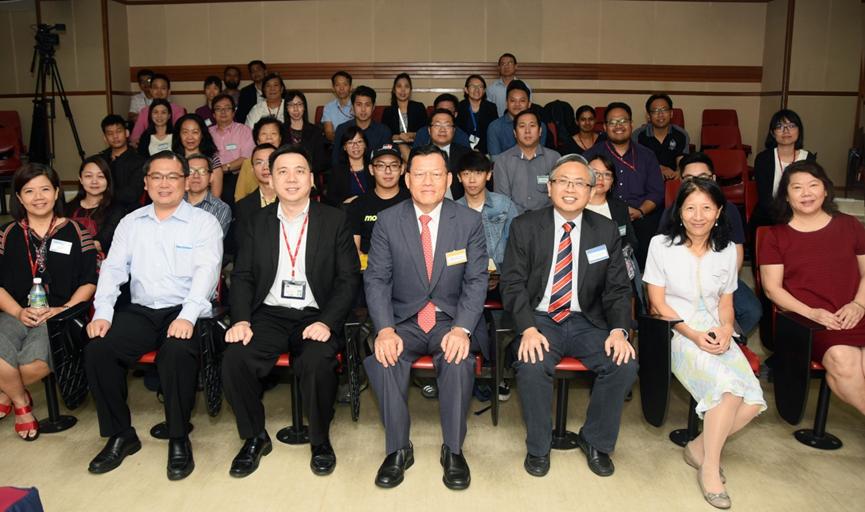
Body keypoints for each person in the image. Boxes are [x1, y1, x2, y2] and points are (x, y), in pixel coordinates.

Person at [222, 145, 360, 478]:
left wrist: (328, 321)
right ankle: (255, 437)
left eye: (299, 170)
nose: (291, 178)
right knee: (234, 359)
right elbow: (242, 276)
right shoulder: (256, 222)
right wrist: (240, 319)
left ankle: (320, 440)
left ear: (312, 179)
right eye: (281, 171)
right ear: (270, 178)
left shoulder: (334, 220)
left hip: (316, 312)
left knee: (316, 361)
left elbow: (348, 278)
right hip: (269, 313)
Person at [84, 151, 222, 480]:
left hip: (184, 308)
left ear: (186, 181)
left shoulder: (204, 223)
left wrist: (187, 316)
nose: (164, 183)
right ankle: (121, 434)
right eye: (157, 176)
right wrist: (102, 312)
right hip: (141, 310)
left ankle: (178, 437)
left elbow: (207, 273)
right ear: (146, 182)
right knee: (98, 348)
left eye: (173, 176)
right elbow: (113, 269)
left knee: (176, 352)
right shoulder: (131, 223)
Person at [500, 153, 637, 479]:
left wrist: (619, 330)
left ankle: (596, 441)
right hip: (540, 318)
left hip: (586, 320)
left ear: (591, 191)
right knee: (532, 364)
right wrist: (528, 330)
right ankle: (538, 446)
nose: (571, 189)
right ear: (550, 187)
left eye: (580, 183)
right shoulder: (525, 226)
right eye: (563, 181)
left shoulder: (604, 230)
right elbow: (512, 284)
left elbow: (618, 288)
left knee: (624, 363)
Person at [364, 145, 488, 490]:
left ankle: (453, 450)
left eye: (436, 174)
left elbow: (477, 280)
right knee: (383, 358)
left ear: (449, 179)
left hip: (450, 318)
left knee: (459, 359)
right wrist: (385, 329)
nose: (428, 181)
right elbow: (376, 278)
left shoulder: (468, 221)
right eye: (419, 174)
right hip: (404, 319)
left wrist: (463, 328)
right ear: (407, 179)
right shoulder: (389, 221)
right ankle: (398, 449)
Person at [644, 178, 766, 510]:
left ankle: (699, 448)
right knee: (728, 391)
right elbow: (656, 303)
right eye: (690, 208)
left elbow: (726, 303)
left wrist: (727, 329)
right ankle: (710, 468)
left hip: (716, 330)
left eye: (706, 208)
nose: (698, 216)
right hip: (675, 332)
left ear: (719, 212)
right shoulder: (661, 245)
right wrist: (694, 335)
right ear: (679, 212)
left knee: (752, 401)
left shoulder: (726, 250)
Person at [759, 161, 865, 419]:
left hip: (857, 312)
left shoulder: (850, 225)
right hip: (811, 323)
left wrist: (859, 305)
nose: (806, 193)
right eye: (797, 188)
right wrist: (812, 313)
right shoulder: (775, 236)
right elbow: (773, 290)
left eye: (813, 185)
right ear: (786, 195)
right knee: (843, 360)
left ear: (826, 190)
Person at [0, 164, 97, 441]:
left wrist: (62, 310)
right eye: (29, 191)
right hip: (14, 312)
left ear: (57, 193)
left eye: (45, 189)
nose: (38, 197)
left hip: (59, 316)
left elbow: (89, 281)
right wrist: (18, 311)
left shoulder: (79, 231)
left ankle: (6, 390)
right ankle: (22, 405)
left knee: (32, 366)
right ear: (18, 198)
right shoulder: (7, 235)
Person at [659, 152, 762, 338]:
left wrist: (721, 283)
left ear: (713, 179)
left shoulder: (728, 210)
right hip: (681, 280)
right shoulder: (671, 212)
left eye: (703, 178)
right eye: (689, 178)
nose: (696, 183)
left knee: (752, 311)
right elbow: (663, 257)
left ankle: (727, 338)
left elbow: (736, 253)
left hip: (719, 277)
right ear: (681, 181)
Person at [584, 102, 664, 270]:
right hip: (601, 215)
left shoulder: (646, 155)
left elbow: (656, 192)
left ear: (631, 124)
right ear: (605, 127)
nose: (618, 126)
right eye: (612, 122)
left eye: (623, 121)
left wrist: (641, 211)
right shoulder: (591, 155)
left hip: (640, 216)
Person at [750, 109, 815, 232]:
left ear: (799, 131)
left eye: (791, 126)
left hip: (802, 213)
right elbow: (765, 199)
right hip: (769, 215)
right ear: (773, 133)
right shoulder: (763, 158)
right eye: (780, 126)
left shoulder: (808, 158)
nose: (786, 131)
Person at [455, 150, 518, 273]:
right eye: (466, 174)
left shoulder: (504, 205)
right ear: (459, 177)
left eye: (478, 173)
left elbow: (517, 244)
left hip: (502, 276)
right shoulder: (454, 210)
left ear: (488, 175)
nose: (472, 180)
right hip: (466, 279)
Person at [347, 144, 410, 259]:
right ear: (371, 169)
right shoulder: (358, 205)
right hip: (370, 269)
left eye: (394, 165)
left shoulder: (413, 201)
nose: (388, 171)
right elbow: (354, 250)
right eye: (381, 166)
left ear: (402, 169)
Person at [492, 109, 560, 214]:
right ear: (515, 133)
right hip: (514, 221)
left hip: (547, 221)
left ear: (540, 131)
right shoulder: (502, 161)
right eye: (522, 126)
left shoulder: (554, 158)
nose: (527, 131)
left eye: (532, 126)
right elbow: (502, 201)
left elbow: (559, 195)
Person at [66, 155, 125, 256]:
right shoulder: (68, 207)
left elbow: (99, 243)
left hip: (102, 266)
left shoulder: (116, 210)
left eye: (101, 176)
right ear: (80, 179)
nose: (94, 181)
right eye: (88, 176)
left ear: (108, 180)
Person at [209, 94, 255, 208]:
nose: (223, 112)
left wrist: (223, 168)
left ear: (233, 112)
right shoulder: (207, 133)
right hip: (211, 177)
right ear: (214, 114)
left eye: (227, 108)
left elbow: (246, 158)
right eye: (219, 109)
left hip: (237, 176)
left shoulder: (244, 131)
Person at [331, 86, 392, 169]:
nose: (363, 109)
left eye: (367, 105)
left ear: (373, 107)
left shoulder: (384, 131)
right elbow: (335, 161)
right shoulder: (342, 129)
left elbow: (386, 161)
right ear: (352, 107)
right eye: (359, 105)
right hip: (347, 176)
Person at [634, 94, 690, 180]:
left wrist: (679, 172)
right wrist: (659, 168)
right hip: (646, 180)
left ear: (671, 113)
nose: (660, 114)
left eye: (664, 110)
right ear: (648, 116)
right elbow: (637, 162)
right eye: (655, 111)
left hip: (673, 180)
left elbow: (681, 160)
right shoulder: (638, 135)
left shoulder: (681, 134)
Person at [487, 80, 547, 159]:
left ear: (529, 104)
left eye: (522, 101)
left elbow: (539, 157)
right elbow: (495, 161)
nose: (517, 104)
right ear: (506, 103)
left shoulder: (539, 126)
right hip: (504, 170)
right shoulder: (495, 127)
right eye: (512, 100)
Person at [99, 114, 145, 213]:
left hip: (128, 211)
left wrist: (102, 194)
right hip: (100, 209)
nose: (115, 136)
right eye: (110, 133)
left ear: (127, 133)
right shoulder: (100, 160)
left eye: (118, 131)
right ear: (105, 138)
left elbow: (132, 194)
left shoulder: (139, 161)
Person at [234, 143, 277, 247]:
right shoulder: (243, 206)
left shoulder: (291, 200)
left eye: (270, 161)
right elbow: (242, 247)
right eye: (259, 162)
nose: (265, 167)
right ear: (252, 169)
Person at [234, 117, 286, 202]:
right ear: (257, 140)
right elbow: (240, 195)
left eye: (273, 133)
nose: (269, 138)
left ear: (280, 138)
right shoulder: (248, 163)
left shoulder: (289, 161)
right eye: (264, 134)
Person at [171, 114, 224, 198]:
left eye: (195, 132)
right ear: (179, 135)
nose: (190, 137)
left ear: (202, 134)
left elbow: (216, 196)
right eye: (185, 132)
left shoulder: (212, 159)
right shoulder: (172, 160)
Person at [426, 109, 472, 198]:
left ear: (454, 130)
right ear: (429, 130)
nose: (442, 129)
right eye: (437, 125)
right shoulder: (418, 154)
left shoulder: (466, 153)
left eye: (447, 125)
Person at [185, 154, 232, 238]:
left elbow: (210, 242)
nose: (196, 176)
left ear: (211, 177)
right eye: (190, 171)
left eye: (202, 171)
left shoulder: (221, 208)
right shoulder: (173, 203)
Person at [130, 74, 186, 144]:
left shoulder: (178, 110)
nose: (159, 92)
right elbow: (135, 136)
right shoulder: (144, 111)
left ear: (169, 92)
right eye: (155, 88)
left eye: (163, 88)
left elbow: (180, 134)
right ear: (150, 90)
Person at [381, 73, 427, 160]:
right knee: (402, 146)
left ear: (410, 90)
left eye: (406, 86)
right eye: (399, 86)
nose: (403, 90)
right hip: (395, 148)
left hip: (417, 145)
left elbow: (426, 131)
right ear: (394, 90)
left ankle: (408, 166)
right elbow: (385, 135)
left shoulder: (419, 107)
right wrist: (399, 137)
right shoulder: (388, 111)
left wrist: (412, 135)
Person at [282, 90, 328, 175]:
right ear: (286, 108)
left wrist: (303, 172)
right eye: (291, 105)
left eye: (299, 104)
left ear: (304, 107)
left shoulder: (316, 131)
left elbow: (320, 162)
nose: (296, 109)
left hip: (309, 176)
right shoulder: (280, 130)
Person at [326, 126, 370, 205]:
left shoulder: (374, 168)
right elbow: (330, 200)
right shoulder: (337, 171)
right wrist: (344, 204)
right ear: (344, 147)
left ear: (365, 145)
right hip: (346, 213)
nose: (355, 146)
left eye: (359, 142)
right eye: (350, 142)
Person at [456, 75, 499, 153]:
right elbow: (458, 132)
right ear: (466, 90)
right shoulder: (460, 107)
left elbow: (493, 132)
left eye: (480, 86)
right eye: (473, 86)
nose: (477, 89)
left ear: (484, 90)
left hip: (486, 150)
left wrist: (480, 150)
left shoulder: (491, 108)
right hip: (463, 150)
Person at [487, 53, 531, 117]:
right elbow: (488, 111)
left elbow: (528, 108)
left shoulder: (525, 86)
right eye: (503, 64)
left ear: (516, 66)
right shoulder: (491, 89)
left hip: (521, 123)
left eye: (510, 63)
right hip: (499, 124)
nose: (506, 66)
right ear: (499, 67)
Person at [321, 70, 354, 142]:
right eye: (337, 85)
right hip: (336, 143)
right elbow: (329, 133)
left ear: (350, 87)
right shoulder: (328, 107)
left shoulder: (357, 105)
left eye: (345, 84)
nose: (341, 88)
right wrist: (343, 142)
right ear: (333, 88)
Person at [236, 60, 267, 124]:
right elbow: (241, 116)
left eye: (258, 70)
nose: (256, 73)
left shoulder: (273, 89)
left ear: (265, 71)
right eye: (253, 71)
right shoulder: (245, 92)